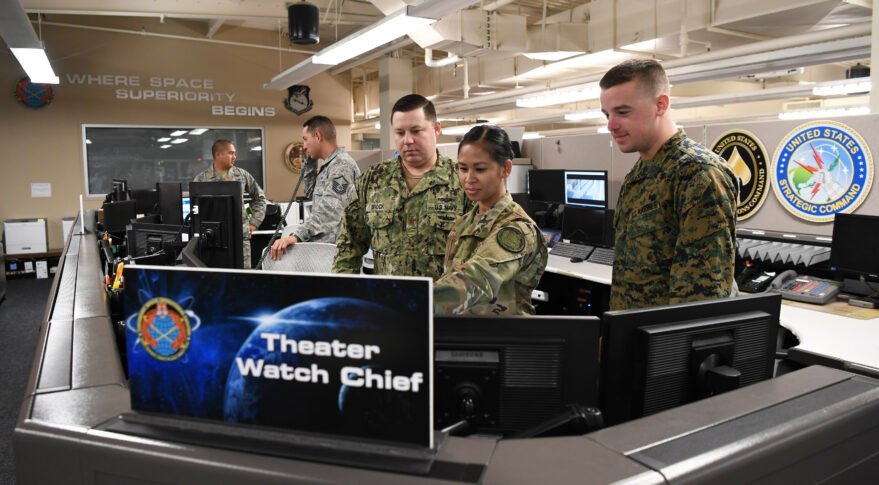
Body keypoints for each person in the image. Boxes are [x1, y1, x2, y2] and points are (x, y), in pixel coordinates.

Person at [599, 59, 738, 310]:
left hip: (666, 345)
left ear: (660, 105)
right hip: (631, 335)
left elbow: (703, 297)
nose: (611, 125)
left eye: (622, 112)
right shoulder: (638, 175)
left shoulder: (699, 174)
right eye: (607, 114)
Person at [332, 94, 472, 279]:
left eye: (416, 131)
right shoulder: (373, 181)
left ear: (437, 129)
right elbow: (348, 248)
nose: (408, 140)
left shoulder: (462, 181)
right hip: (387, 301)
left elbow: (477, 254)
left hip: (443, 303)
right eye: (400, 133)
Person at [434, 125, 547, 315]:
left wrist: (415, 302)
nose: (469, 178)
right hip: (465, 337)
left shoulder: (516, 229)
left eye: (480, 169)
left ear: (506, 169)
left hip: (502, 340)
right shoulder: (464, 222)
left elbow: (475, 280)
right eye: (462, 168)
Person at [269, 116, 361, 260]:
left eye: (305, 139)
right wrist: (309, 163)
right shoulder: (329, 166)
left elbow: (329, 211)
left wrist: (297, 236)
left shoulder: (342, 167)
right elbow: (311, 193)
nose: (303, 146)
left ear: (318, 136)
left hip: (338, 254)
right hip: (326, 251)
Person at [193, 139, 267, 269]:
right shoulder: (202, 178)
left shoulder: (241, 175)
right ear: (218, 155)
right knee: (217, 280)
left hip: (240, 238)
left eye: (235, 153)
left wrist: (254, 223)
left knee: (243, 277)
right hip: (213, 240)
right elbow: (196, 209)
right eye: (231, 153)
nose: (234, 157)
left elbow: (260, 198)